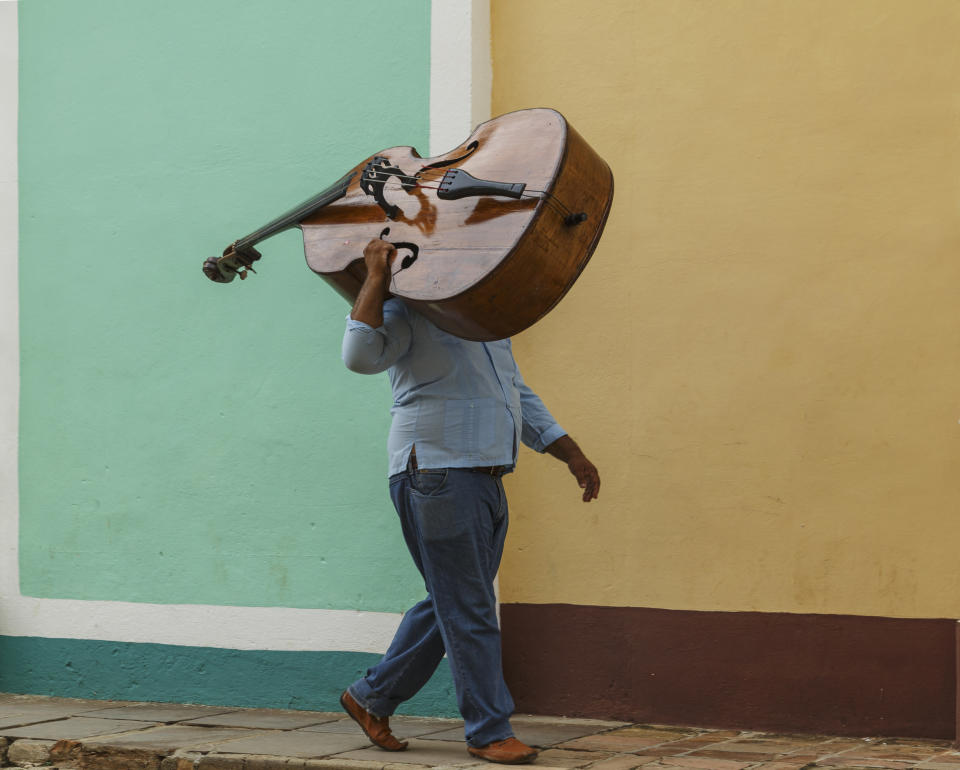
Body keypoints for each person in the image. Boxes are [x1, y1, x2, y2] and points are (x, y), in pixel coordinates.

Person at [338, 239, 600, 765]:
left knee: (454, 601)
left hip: (484, 475)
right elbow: (358, 355)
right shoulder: (408, 308)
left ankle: (371, 697)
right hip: (435, 470)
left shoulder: (486, 321)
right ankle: (487, 729)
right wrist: (375, 277)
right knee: (470, 605)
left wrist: (571, 453)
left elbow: (516, 393)